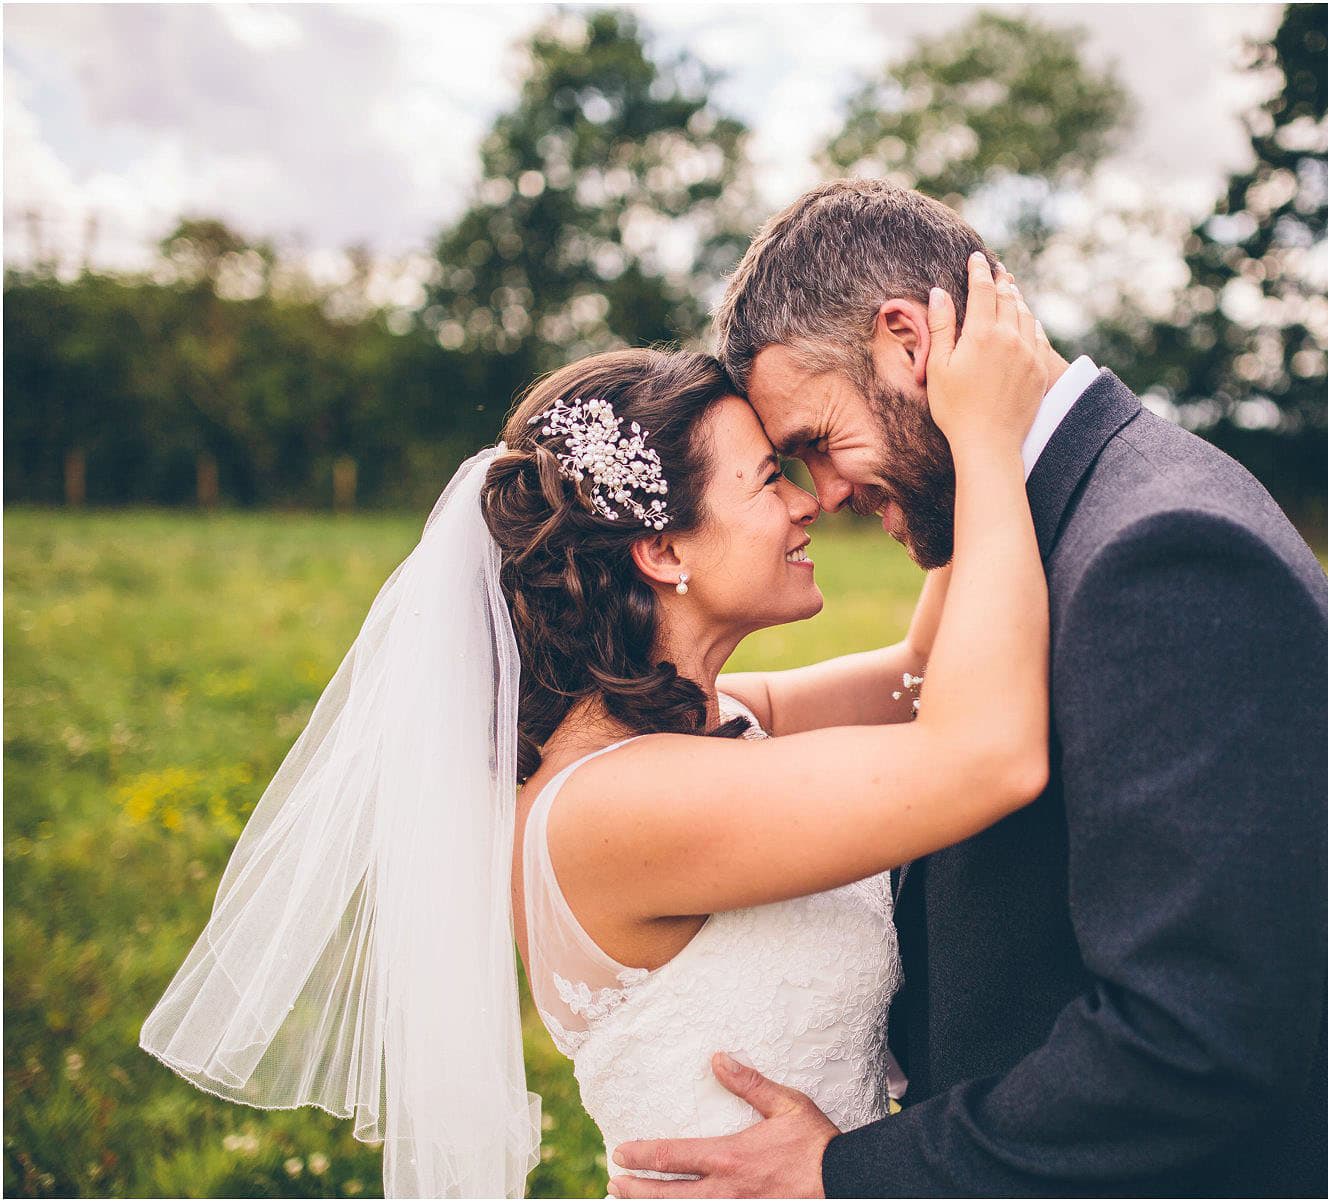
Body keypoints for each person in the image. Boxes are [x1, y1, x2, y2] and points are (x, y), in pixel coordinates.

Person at [139, 259, 1054, 1197]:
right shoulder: (621, 803)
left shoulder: (709, 722)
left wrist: (936, 433)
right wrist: (988, 442)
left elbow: (915, 678)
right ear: (661, 552)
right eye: (764, 482)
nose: (808, 499)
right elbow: (984, 755)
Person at [607, 177, 1328, 1197]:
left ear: (910, 343)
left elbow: (1196, 1042)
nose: (822, 496)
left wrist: (851, 1172)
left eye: (817, 443)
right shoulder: (1045, 532)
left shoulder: (1167, 554)